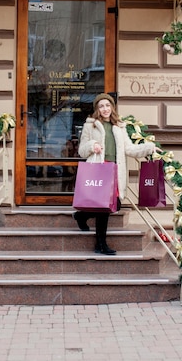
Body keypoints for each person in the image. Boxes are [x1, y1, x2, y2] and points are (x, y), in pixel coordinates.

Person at [73, 93, 156, 255]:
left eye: (108, 105)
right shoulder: (91, 125)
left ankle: (81, 216)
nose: (105, 109)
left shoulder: (119, 126)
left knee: (114, 205)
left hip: (114, 171)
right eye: (101, 106)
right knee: (103, 208)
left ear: (112, 107)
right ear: (97, 109)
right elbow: (82, 151)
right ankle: (101, 244)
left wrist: (149, 148)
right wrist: (92, 145)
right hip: (98, 170)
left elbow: (129, 149)